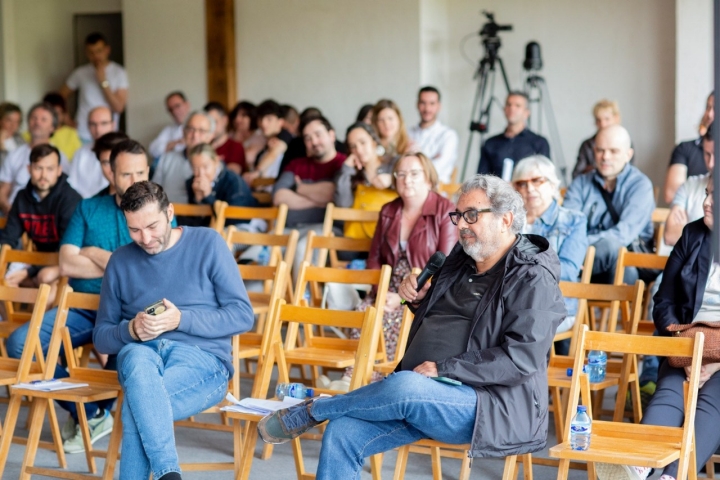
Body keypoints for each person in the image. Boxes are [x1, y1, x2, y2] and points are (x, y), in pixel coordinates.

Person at [257, 174, 566, 480]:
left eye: (472, 215)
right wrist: (420, 301)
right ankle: (328, 412)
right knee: (343, 431)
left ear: (505, 219)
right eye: (458, 215)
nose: (460, 225)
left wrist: (445, 368)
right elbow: (447, 320)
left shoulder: (532, 277)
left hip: (487, 404)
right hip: (423, 392)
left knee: (404, 385)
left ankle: (315, 410)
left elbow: (520, 358)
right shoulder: (462, 257)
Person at [92, 181, 253, 480]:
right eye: (134, 230)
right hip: (140, 354)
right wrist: (131, 329)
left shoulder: (208, 243)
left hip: (202, 359)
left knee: (137, 405)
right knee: (138, 366)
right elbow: (101, 337)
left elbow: (243, 316)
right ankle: (169, 474)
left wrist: (182, 320)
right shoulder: (120, 261)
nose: (145, 238)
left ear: (170, 212)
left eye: (152, 226)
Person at [5, 139, 153, 454]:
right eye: (126, 174)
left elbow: (149, 269)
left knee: (128, 361)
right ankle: (88, 412)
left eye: (141, 172)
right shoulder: (87, 207)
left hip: (132, 316)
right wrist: (120, 262)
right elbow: (67, 262)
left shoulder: (159, 212)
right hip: (83, 310)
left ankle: (104, 412)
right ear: (111, 174)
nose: (134, 182)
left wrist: (95, 254)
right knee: (19, 345)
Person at [596, 176, 718, 480]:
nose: (706, 202)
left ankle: (670, 476)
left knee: (712, 404)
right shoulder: (693, 235)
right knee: (669, 394)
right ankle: (639, 464)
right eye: (706, 193)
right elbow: (663, 299)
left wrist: (713, 364)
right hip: (686, 345)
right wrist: (680, 344)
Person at [328, 152, 457, 391]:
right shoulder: (388, 210)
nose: (407, 179)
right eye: (401, 174)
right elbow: (374, 259)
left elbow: (446, 266)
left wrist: (402, 298)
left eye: (415, 174)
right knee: (366, 309)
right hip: (387, 286)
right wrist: (382, 293)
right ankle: (355, 375)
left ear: (428, 179)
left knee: (395, 316)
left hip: (422, 292)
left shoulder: (445, 211)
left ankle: (369, 380)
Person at [563, 125, 654, 284]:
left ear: (628, 155)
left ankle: (566, 270)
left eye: (613, 151)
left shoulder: (641, 185)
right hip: (581, 262)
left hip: (622, 262)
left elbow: (623, 234)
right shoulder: (580, 183)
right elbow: (567, 227)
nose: (605, 157)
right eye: (600, 150)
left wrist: (579, 248)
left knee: (613, 248)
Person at [511, 155, 587, 337]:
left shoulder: (573, 220)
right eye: (521, 183)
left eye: (537, 181)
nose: (529, 188)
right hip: (510, 303)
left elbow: (567, 269)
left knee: (511, 328)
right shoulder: (509, 220)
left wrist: (518, 268)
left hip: (554, 306)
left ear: (553, 185)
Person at [271, 116, 346, 276]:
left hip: (326, 230)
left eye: (318, 135)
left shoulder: (343, 164)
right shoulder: (296, 164)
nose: (314, 141)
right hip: (288, 229)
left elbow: (334, 193)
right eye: (308, 138)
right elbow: (279, 196)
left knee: (302, 249)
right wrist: (320, 201)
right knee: (257, 252)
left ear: (331, 136)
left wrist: (301, 188)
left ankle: (302, 299)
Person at [0, 144, 81, 291]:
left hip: (70, 259)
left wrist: (28, 271)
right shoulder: (22, 198)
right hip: (40, 259)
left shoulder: (70, 199)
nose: (44, 175)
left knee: (44, 277)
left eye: (50, 169)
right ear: (29, 169)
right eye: (38, 168)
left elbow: (65, 248)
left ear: (59, 170)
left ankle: (39, 312)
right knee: (5, 278)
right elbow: (8, 238)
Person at [0, 103, 70, 215]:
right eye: (34, 118)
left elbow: (65, 194)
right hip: (12, 214)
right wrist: (10, 210)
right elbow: (3, 190)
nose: (37, 122)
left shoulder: (60, 157)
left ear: (53, 127)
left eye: (43, 119)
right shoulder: (14, 154)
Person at [59, 32, 128, 143]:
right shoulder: (80, 73)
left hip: (108, 133)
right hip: (82, 133)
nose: (96, 56)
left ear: (107, 50)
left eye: (99, 51)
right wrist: (66, 119)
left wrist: (103, 81)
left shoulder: (119, 73)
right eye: (91, 52)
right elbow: (59, 97)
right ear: (86, 53)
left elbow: (119, 107)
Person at [334, 122, 398, 239]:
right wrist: (346, 169)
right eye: (353, 146)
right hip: (356, 236)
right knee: (345, 252)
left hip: (389, 234)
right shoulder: (350, 173)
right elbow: (343, 204)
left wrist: (392, 180)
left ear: (374, 142)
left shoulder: (394, 163)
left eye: (363, 142)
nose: (358, 149)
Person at [477, 92, 550, 178]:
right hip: (496, 190)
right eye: (509, 104)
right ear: (504, 109)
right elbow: (481, 178)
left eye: (517, 105)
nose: (512, 108)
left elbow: (545, 177)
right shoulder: (490, 143)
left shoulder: (539, 142)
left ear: (527, 112)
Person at [664, 124, 715, 248]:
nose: (711, 163)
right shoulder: (689, 186)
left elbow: (680, 236)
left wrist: (688, 229)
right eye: (707, 154)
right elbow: (670, 235)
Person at [152, 111, 215, 204]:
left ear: (211, 136)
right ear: (183, 131)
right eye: (191, 129)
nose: (195, 135)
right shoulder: (166, 159)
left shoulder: (216, 163)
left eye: (201, 131)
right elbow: (154, 192)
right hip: (169, 214)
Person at [663, 92, 714, 204]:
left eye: (716, 108)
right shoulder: (684, 148)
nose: (710, 114)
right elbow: (671, 195)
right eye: (708, 107)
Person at [186, 143, 257, 223]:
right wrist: (197, 200)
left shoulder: (233, 182)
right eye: (195, 169)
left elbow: (234, 219)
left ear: (216, 162)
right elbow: (192, 222)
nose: (201, 173)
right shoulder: (192, 183)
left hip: (244, 226)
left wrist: (208, 196)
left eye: (205, 167)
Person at [408, 86, 459, 183]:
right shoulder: (408, 133)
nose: (427, 109)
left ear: (439, 106)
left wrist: (412, 160)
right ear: (417, 104)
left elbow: (436, 169)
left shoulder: (448, 135)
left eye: (432, 103)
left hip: (436, 191)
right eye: (423, 103)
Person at [67, 106, 116, 198]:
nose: (98, 129)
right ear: (88, 126)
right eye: (93, 124)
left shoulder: (124, 152)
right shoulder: (80, 153)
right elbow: (72, 186)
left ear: (113, 125)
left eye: (103, 123)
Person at [242, 99, 293, 185]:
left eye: (269, 119)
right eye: (261, 119)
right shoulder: (263, 140)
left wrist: (257, 172)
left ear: (280, 122)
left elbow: (274, 154)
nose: (263, 123)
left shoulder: (284, 135)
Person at [573, 99, 625, 179]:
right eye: (598, 120)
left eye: (607, 119)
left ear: (616, 118)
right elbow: (576, 174)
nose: (603, 124)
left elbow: (627, 174)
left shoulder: (625, 142)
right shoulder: (587, 145)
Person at [203, 101, 246, 174]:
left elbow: (231, 175)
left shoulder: (236, 147)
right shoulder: (203, 146)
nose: (211, 127)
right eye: (208, 123)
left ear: (225, 120)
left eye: (214, 122)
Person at [148, 92, 191, 160]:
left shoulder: (200, 125)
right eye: (171, 109)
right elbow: (153, 150)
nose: (174, 111)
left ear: (187, 105)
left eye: (177, 106)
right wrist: (177, 142)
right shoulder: (168, 130)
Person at [41, 92, 82, 159]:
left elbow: (77, 158)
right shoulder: (32, 133)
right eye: (51, 113)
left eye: (57, 113)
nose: (54, 117)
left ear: (64, 114)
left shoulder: (71, 133)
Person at [90, 131, 129, 198]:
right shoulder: (91, 205)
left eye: (118, 161)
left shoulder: (151, 200)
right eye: (106, 163)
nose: (113, 169)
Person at [229, 100, 265, 167]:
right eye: (235, 115)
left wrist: (237, 142)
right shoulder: (230, 135)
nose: (237, 119)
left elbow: (248, 158)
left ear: (252, 117)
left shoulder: (259, 136)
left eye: (243, 115)